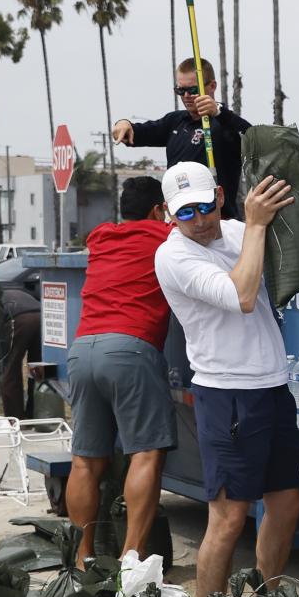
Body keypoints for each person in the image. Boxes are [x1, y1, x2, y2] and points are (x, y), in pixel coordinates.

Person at [152, 161, 299, 597]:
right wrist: (255, 225)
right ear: (167, 213)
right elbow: (241, 295)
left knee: (287, 503)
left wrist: (261, 218)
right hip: (227, 393)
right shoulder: (174, 256)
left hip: (272, 386)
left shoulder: (239, 230)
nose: (198, 221)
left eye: (203, 207)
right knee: (229, 518)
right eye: (185, 213)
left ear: (219, 196)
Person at [65, 176, 177, 569]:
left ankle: (82, 559)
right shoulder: (165, 236)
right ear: (157, 209)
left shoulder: (100, 237)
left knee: (85, 462)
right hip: (130, 348)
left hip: (82, 351)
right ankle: (132, 560)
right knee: (145, 454)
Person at [113, 56, 249, 217]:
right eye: (180, 90)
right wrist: (123, 123)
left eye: (193, 90)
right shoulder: (175, 121)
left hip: (220, 220)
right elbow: (137, 133)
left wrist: (219, 113)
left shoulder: (225, 123)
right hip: (181, 220)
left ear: (212, 86)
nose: (186, 96)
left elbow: (252, 138)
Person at [0, 280, 42, 420]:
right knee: (40, 369)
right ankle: (40, 415)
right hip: (42, 316)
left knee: (10, 369)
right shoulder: (4, 293)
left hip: (19, 318)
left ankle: (15, 420)